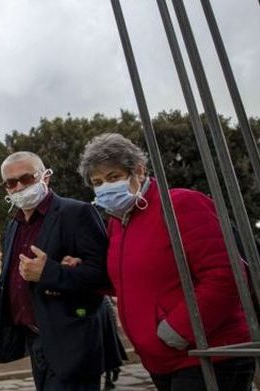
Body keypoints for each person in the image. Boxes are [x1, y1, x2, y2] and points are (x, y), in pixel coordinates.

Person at [74, 132, 254, 390]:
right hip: (161, 361)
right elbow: (129, 280)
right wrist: (78, 270)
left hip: (208, 353)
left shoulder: (180, 205)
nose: (105, 187)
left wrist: (179, 330)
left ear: (139, 170)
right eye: (97, 182)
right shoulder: (118, 222)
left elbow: (226, 274)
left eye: (113, 177)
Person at [0, 151, 116, 390]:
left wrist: (50, 272)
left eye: (27, 178)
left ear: (45, 177)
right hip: (37, 341)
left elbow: (105, 275)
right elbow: (5, 283)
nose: (19, 186)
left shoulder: (76, 213)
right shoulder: (14, 225)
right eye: (11, 182)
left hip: (73, 340)